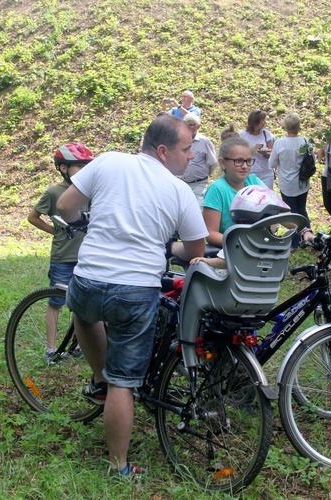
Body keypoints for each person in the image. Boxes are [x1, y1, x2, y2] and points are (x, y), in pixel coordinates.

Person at [57, 114, 207, 477]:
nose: (191, 157)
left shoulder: (108, 161)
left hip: (90, 276)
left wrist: (86, 222)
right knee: (125, 381)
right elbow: (196, 250)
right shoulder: (179, 191)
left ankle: (99, 379)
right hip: (136, 290)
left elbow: (64, 206)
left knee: (83, 313)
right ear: (162, 150)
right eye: (186, 150)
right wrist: (164, 245)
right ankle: (118, 465)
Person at [27, 143, 94, 359]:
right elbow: (33, 217)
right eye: (79, 167)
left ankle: (79, 345)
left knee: (83, 303)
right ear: (64, 168)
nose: (84, 172)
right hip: (63, 257)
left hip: (87, 256)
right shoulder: (54, 192)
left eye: (87, 167)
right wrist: (55, 231)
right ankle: (51, 348)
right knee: (56, 301)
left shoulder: (89, 192)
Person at [191, 186, 291, 268]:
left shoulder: (239, 242)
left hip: (235, 290)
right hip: (267, 290)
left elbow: (223, 262)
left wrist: (207, 261)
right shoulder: (277, 246)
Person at [202, 136, 265, 247]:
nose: (245, 166)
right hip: (230, 254)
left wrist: (303, 229)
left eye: (248, 161)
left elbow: (280, 211)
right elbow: (210, 233)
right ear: (222, 163)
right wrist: (241, 244)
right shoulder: (217, 190)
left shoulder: (255, 182)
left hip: (258, 250)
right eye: (239, 161)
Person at [269, 113, 314, 248]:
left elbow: (271, 163)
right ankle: (309, 237)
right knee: (301, 209)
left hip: (286, 183)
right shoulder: (305, 142)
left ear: (285, 127)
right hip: (302, 182)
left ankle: (295, 241)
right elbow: (313, 161)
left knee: (291, 212)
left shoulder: (280, 143)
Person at [179, 114, 217, 207]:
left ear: (198, 127)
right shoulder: (178, 140)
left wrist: (202, 174)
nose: (188, 127)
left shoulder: (204, 142)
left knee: (198, 209)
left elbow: (213, 163)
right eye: (186, 124)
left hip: (198, 184)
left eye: (191, 125)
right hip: (180, 183)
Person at [239, 110, 275, 188]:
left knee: (266, 196)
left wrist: (265, 152)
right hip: (250, 172)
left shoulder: (266, 133)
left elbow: (272, 152)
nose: (264, 122)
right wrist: (253, 149)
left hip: (266, 172)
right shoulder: (242, 135)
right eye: (263, 120)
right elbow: (239, 153)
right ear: (255, 122)